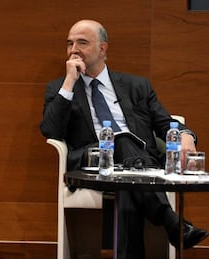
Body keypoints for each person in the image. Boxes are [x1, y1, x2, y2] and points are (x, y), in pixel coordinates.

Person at [40, 19, 209, 258]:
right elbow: (50, 131)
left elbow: (164, 122)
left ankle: (167, 228)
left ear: (102, 48)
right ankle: (170, 221)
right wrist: (69, 82)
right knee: (119, 140)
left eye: (82, 42)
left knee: (128, 182)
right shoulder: (59, 88)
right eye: (69, 43)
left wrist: (185, 135)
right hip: (90, 161)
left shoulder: (136, 86)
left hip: (138, 162)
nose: (73, 49)